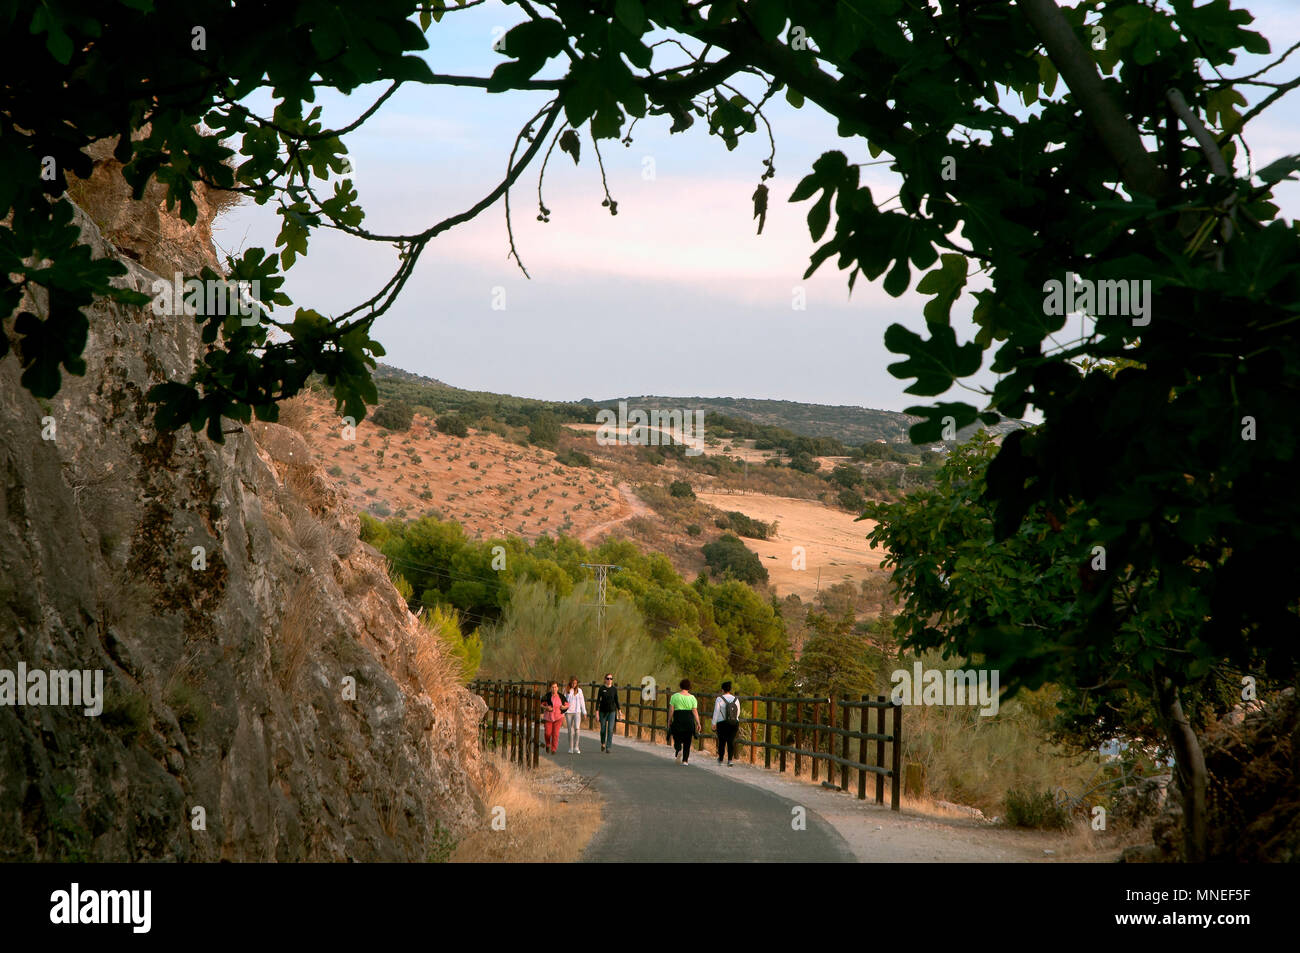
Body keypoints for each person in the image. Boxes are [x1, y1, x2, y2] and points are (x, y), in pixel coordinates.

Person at [668, 678, 702, 764]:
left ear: (680, 686)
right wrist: (698, 723)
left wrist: (669, 720)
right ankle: (685, 760)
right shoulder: (692, 698)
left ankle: (679, 749)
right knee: (687, 740)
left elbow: (671, 710)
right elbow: (695, 711)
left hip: (678, 719)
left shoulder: (674, 696)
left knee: (677, 737)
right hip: (689, 720)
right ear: (689, 687)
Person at [712, 680, 740, 766]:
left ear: (722, 689)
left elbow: (716, 712)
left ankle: (720, 759)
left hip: (722, 723)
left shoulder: (719, 699)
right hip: (734, 723)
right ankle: (730, 760)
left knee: (722, 741)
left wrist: (713, 723)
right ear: (730, 689)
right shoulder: (736, 699)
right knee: (731, 741)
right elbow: (738, 712)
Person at [540, 681, 568, 754]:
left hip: (558, 717)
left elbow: (567, 705)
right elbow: (541, 705)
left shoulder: (561, 696)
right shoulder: (547, 696)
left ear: (557, 688)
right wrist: (546, 708)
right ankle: (548, 744)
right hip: (548, 717)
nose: (554, 689)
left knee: (555, 734)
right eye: (552, 687)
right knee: (547, 733)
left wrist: (563, 707)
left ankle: (553, 749)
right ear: (550, 688)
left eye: (555, 687)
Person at [595, 673, 620, 753]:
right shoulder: (601, 689)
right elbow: (598, 700)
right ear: (605, 679)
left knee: (610, 729)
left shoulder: (614, 689)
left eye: (611, 678)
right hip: (603, 712)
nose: (609, 680)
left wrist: (619, 710)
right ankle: (603, 743)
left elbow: (616, 700)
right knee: (603, 729)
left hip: (612, 711)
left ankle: (608, 747)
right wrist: (597, 712)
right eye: (608, 678)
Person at [564, 676, 587, 754]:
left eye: (575, 683)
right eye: (572, 683)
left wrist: (584, 712)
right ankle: (570, 747)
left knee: (577, 728)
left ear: (577, 683)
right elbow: (563, 701)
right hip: (568, 712)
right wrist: (563, 712)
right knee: (570, 730)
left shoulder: (579, 691)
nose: (574, 684)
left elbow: (582, 702)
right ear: (570, 682)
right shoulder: (566, 690)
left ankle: (576, 747)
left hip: (577, 712)